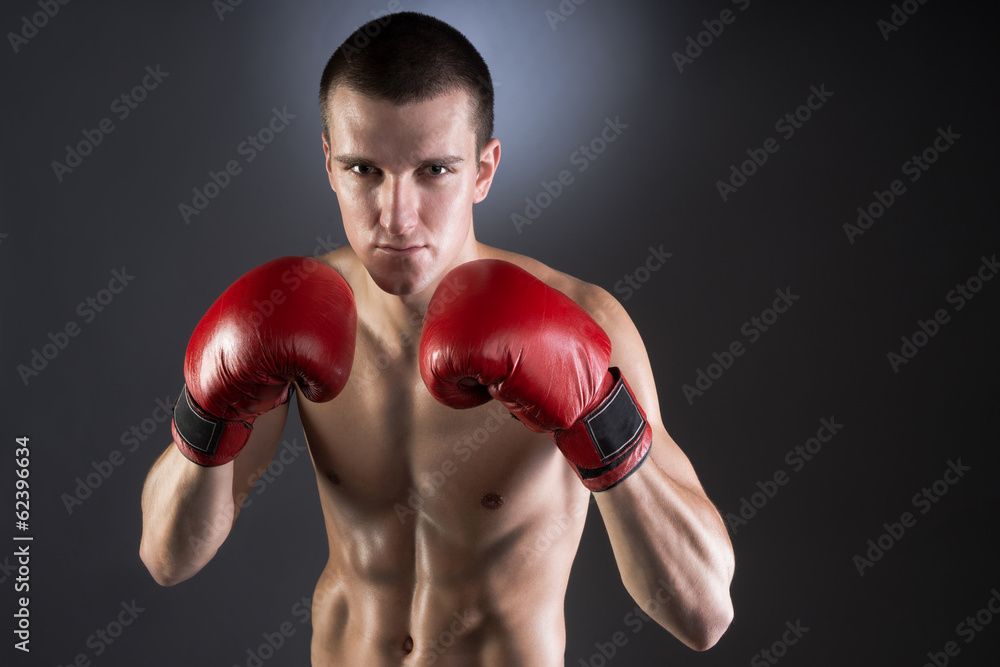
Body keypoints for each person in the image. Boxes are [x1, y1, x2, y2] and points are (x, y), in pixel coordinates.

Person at [139, 11, 734, 665]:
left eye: (435, 171)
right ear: (329, 164)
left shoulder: (583, 320)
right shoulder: (293, 312)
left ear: (484, 169)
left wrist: (599, 417)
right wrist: (207, 411)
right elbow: (168, 556)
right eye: (365, 169)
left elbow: (703, 613)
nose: (396, 215)